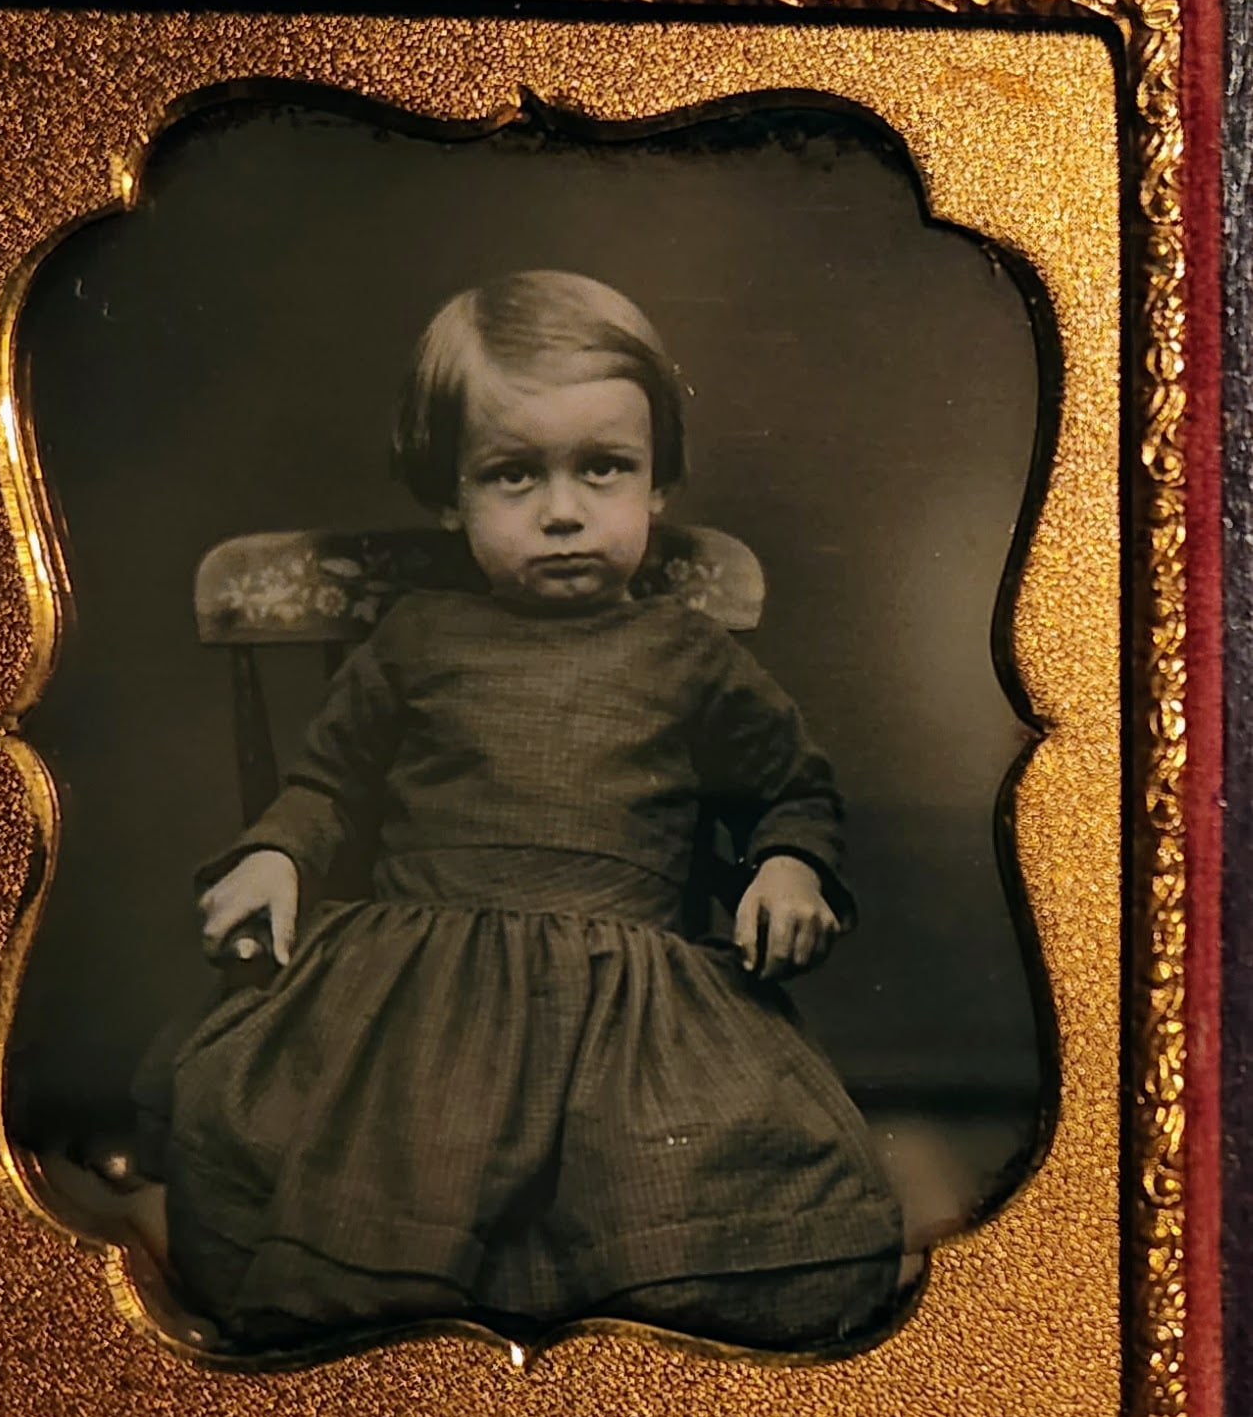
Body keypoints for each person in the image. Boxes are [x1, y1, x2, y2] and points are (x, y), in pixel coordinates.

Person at [134, 269, 903, 1353]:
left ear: (659, 482)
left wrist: (787, 865)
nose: (562, 511)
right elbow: (328, 785)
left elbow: (791, 789)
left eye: (604, 468)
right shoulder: (416, 639)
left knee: (703, 1193)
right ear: (449, 495)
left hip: (628, 995)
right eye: (511, 475)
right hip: (420, 992)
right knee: (336, 1172)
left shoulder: (687, 655)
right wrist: (279, 855)